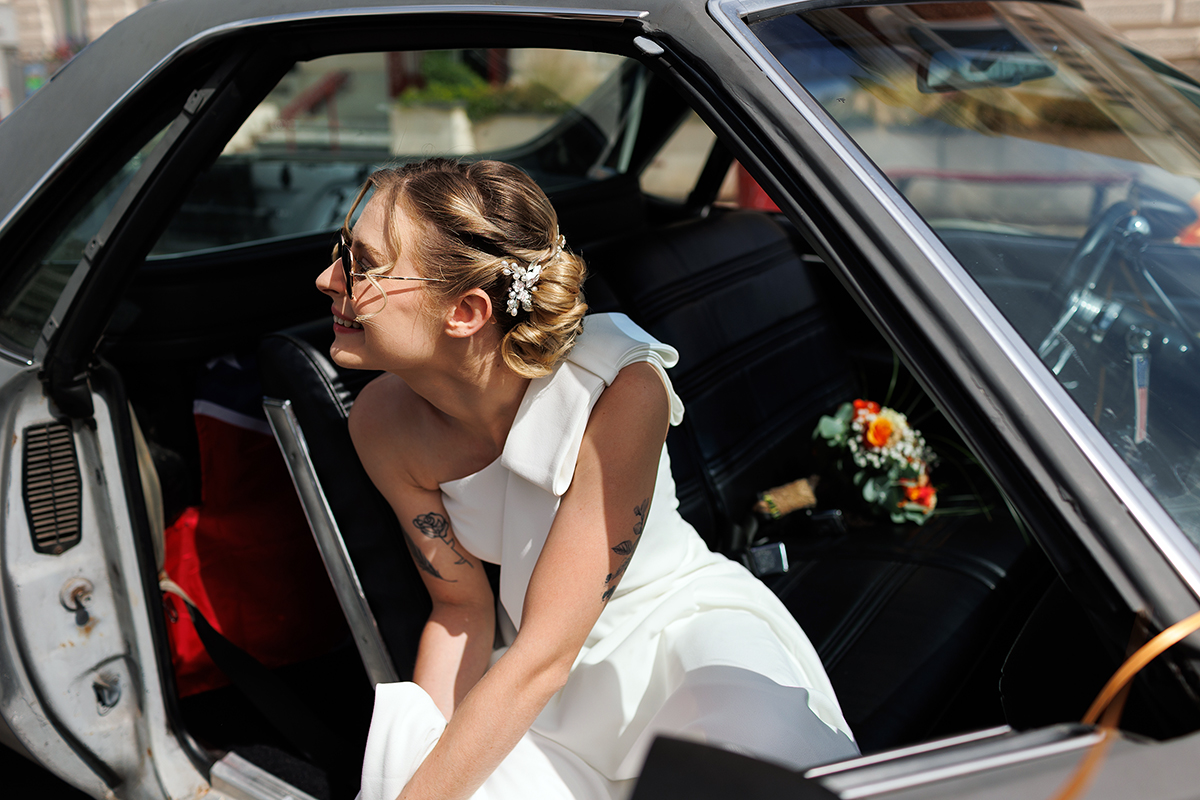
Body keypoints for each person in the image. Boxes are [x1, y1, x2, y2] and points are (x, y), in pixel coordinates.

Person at [315, 158, 857, 800]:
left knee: (745, 770)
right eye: (341, 253)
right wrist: (426, 764)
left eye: (362, 265)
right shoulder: (378, 423)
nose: (326, 279)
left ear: (465, 309)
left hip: (680, 646)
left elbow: (544, 653)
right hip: (539, 685)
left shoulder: (619, 387)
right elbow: (460, 608)